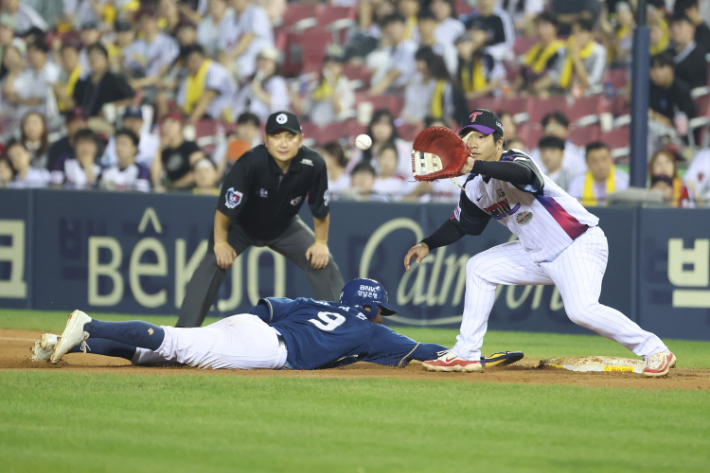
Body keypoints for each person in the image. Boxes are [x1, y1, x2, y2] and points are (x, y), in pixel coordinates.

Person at [403, 109, 676, 377]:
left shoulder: (516, 159)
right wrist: (427, 244)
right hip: (536, 254)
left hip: (577, 243)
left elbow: (523, 175)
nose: (472, 142)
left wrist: (475, 165)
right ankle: (466, 354)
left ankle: (655, 350)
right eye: (468, 135)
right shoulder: (474, 186)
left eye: (482, 136)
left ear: (499, 142)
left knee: (581, 311)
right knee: (479, 267)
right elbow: (461, 225)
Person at [39, 278, 457, 371]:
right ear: (369, 308)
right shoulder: (370, 329)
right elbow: (424, 351)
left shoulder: (314, 302)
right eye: (381, 308)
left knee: (162, 355)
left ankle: (74, 344)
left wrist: (234, 328)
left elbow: (267, 308)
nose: (383, 315)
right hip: (268, 350)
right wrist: (465, 355)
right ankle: (90, 324)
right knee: (172, 342)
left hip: (249, 325)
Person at [176, 111, 344, 328]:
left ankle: (345, 329)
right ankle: (182, 335)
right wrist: (220, 243)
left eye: (289, 136)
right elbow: (225, 208)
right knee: (211, 264)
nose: (283, 143)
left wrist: (320, 243)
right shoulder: (250, 162)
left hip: (285, 227)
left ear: (301, 139)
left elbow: (320, 210)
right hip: (241, 225)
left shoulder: (313, 164)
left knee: (322, 261)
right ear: (266, 140)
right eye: (276, 136)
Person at [122, 7, 180, 95]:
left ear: (155, 22)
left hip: (160, 87)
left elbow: (163, 71)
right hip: (138, 86)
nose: (145, 25)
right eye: (142, 22)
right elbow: (126, 68)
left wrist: (138, 83)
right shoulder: (135, 45)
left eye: (148, 21)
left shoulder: (168, 42)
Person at [291, 49, 355, 128]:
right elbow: (303, 110)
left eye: (334, 65)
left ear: (341, 67)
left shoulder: (344, 85)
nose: (330, 68)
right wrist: (292, 92)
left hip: (333, 126)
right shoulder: (316, 84)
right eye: (328, 65)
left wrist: (332, 86)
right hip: (314, 125)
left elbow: (339, 109)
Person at [176, 44, 236, 125]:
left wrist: (190, 122)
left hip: (225, 117)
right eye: (190, 61)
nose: (193, 64)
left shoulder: (215, 70)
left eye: (196, 60)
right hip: (203, 117)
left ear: (203, 58)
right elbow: (180, 104)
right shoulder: (188, 77)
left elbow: (208, 97)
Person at [73, 43, 135, 118]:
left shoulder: (114, 79)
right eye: (90, 55)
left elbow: (132, 99)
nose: (94, 59)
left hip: (109, 121)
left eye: (98, 55)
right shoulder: (83, 82)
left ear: (105, 58)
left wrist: (111, 107)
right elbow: (76, 103)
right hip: (85, 120)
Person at [401, 47, 458, 126]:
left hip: (436, 120)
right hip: (415, 118)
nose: (417, 65)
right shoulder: (415, 79)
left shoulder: (440, 84)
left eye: (419, 61)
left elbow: (447, 107)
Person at [218, 0, 274, 81]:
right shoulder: (228, 19)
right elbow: (223, 47)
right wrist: (223, 61)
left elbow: (248, 38)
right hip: (236, 64)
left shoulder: (256, 12)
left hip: (257, 65)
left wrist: (229, 57)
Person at [346, 109, 412, 176]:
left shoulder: (401, 147)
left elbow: (408, 172)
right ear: (371, 126)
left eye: (386, 124)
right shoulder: (363, 145)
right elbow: (350, 171)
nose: (381, 128)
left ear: (392, 128)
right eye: (377, 123)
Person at [233, 47, 289, 124]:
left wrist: (259, 92)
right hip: (248, 125)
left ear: (275, 65)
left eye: (267, 61)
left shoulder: (277, 82)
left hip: (269, 126)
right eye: (260, 60)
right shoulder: (250, 84)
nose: (263, 63)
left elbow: (280, 107)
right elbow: (238, 107)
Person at [516, 11, 566, 97]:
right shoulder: (535, 49)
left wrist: (531, 90)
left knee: (542, 95)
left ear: (555, 28)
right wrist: (514, 90)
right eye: (538, 26)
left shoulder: (560, 50)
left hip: (554, 91)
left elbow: (555, 76)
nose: (541, 30)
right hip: (531, 89)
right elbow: (524, 73)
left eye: (545, 26)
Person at [151, 112, 204, 191]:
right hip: (171, 192)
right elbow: (156, 179)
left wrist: (173, 186)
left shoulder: (191, 146)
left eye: (171, 124)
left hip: (190, 191)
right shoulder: (165, 151)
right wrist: (158, 150)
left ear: (180, 126)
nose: (167, 128)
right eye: (165, 125)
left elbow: (198, 171)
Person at [13, 38, 60, 128]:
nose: (31, 55)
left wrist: (24, 101)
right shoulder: (28, 73)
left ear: (44, 53)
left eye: (35, 51)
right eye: (29, 52)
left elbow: (39, 100)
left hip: (50, 119)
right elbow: (13, 95)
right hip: (28, 119)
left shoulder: (52, 71)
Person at [367, 13, 418, 96]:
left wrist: (368, 96)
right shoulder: (388, 50)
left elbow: (391, 76)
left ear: (404, 27)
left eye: (394, 25)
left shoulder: (409, 48)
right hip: (390, 93)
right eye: (388, 26)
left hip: (405, 94)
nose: (391, 29)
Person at [649, 52, 696, 139]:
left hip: (680, 139)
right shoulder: (651, 89)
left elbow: (682, 127)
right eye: (652, 68)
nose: (656, 72)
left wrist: (653, 116)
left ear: (671, 69)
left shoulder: (681, 91)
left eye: (661, 67)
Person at [553, 19, 606, 95]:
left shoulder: (599, 51)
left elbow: (589, 84)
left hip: (592, 94)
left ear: (590, 34)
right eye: (574, 32)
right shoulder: (568, 49)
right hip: (570, 92)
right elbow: (557, 76)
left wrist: (576, 58)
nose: (576, 36)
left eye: (581, 32)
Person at [568, 141, 629, 206]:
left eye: (604, 159)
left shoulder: (624, 180)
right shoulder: (577, 182)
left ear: (611, 158)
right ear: (587, 163)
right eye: (595, 161)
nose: (601, 165)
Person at [529, 112, 587, 177]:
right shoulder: (536, 152)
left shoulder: (576, 152)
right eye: (548, 126)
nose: (552, 129)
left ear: (567, 129)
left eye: (557, 125)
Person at [455, 31, 505, 102]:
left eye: (464, 45)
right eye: (458, 47)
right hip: (472, 104)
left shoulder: (486, 58)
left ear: (472, 44)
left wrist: (473, 94)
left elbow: (496, 82)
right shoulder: (460, 65)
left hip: (492, 99)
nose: (461, 49)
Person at [100, 128, 151, 193]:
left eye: (123, 143)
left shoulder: (142, 170)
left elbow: (142, 196)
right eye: (117, 143)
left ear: (134, 148)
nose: (119, 147)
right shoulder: (107, 170)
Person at [669, 13, 707, 90]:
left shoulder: (700, 55)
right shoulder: (667, 54)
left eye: (679, 25)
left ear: (692, 28)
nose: (675, 29)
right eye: (672, 26)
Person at [415, 9, 457, 76]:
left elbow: (452, 71)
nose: (424, 27)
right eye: (421, 23)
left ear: (435, 25)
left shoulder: (445, 48)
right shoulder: (414, 47)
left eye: (427, 24)